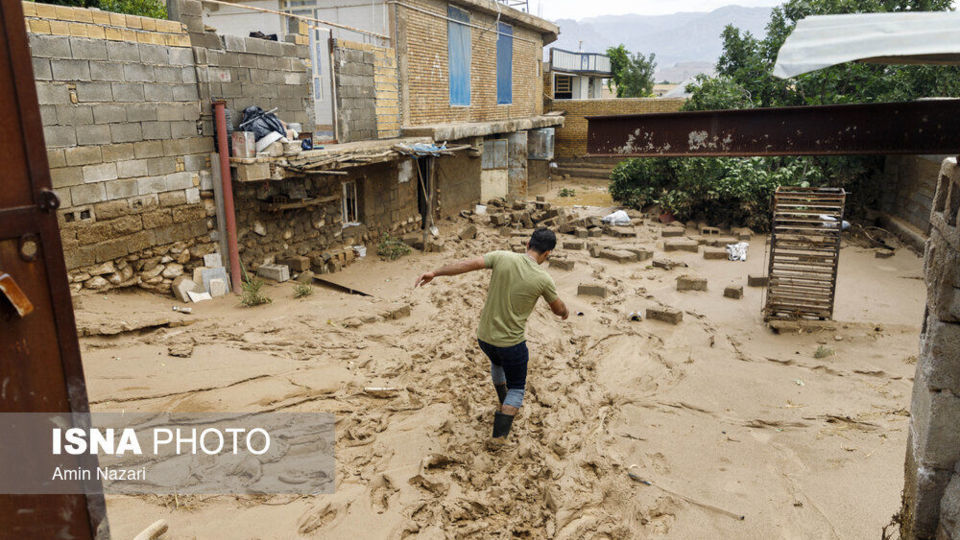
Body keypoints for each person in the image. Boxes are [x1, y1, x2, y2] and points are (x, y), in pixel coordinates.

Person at [415, 228, 569, 443]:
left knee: (497, 365)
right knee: (517, 387)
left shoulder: (502, 257)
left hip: (485, 338)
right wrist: (565, 312)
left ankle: (502, 401)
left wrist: (435, 273)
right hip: (512, 344)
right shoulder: (543, 279)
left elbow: (466, 265)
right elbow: (557, 309)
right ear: (548, 254)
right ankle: (499, 436)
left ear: (527, 244)